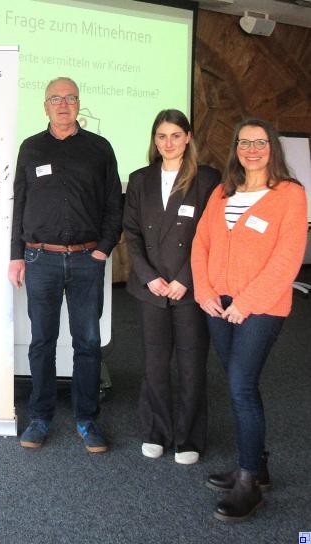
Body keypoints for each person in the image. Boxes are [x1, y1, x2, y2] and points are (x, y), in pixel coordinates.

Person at [191, 118, 307, 522]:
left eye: (260, 142)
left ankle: (248, 484)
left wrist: (247, 301)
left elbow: (287, 260)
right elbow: (200, 243)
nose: (252, 149)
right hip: (217, 305)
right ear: (235, 148)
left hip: (261, 306)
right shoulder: (223, 192)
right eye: (244, 142)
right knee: (241, 382)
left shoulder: (290, 195)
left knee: (240, 386)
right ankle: (257, 465)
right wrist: (204, 292)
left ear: (272, 147)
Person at [9, 76, 122, 452]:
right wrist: (15, 255)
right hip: (40, 258)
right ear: (45, 106)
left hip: (87, 261)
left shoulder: (99, 148)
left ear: (79, 104)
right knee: (42, 341)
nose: (62, 104)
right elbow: (19, 206)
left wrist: (104, 249)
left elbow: (113, 204)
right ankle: (40, 419)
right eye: (55, 99)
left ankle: (87, 420)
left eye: (70, 98)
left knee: (87, 343)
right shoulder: (30, 148)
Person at [123, 110, 220, 465]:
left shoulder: (207, 179)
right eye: (161, 136)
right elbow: (131, 234)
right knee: (154, 364)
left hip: (189, 288)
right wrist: (149, 276)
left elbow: (209, 237)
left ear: (188, 138)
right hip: (150, 288)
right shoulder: (139, 180)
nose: (168, 143)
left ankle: (189, 437)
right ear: (154, 140)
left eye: (175, 135)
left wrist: (184, 279)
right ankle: (156, 431)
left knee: (192, 365)